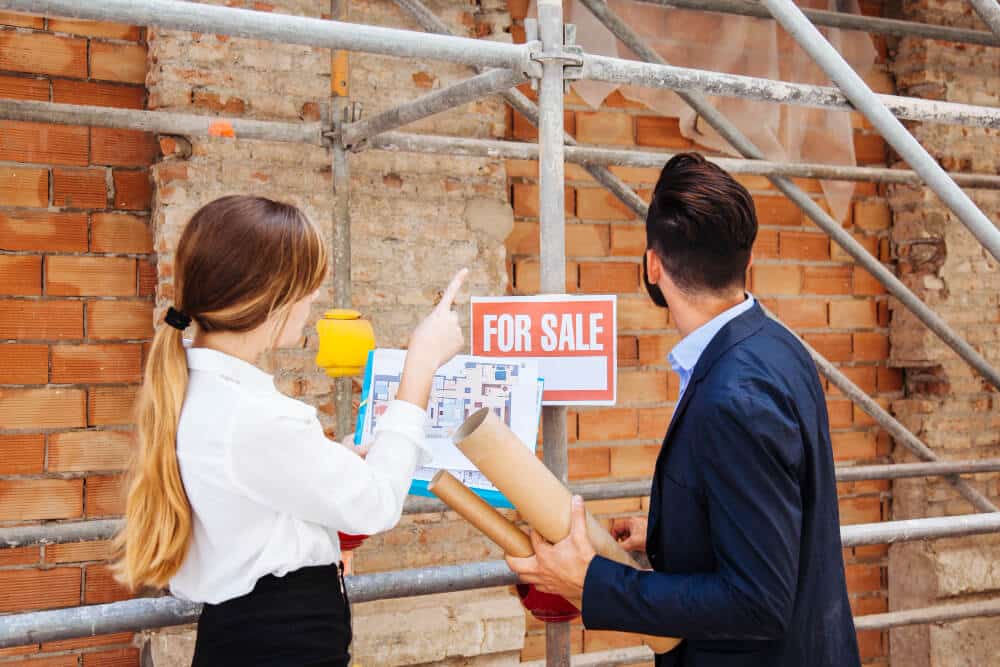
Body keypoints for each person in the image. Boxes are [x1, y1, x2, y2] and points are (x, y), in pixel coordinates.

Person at [506, 153, 860, 666]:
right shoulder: (778, 345)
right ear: (748, 260)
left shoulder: (734, 398)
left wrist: (593, 581)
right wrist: (677, 531)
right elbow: (776, 513)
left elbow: (758, 601)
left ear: (653, 265)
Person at [114, 195, 467, 667]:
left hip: (246, 635)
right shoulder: (253, 416)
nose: (314, 298)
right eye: (307, 285)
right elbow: (376, 505)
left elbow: (259, 501)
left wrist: (329, 466)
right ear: (270, 296)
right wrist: (420, 365)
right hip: (283, 644)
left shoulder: (199, 391)